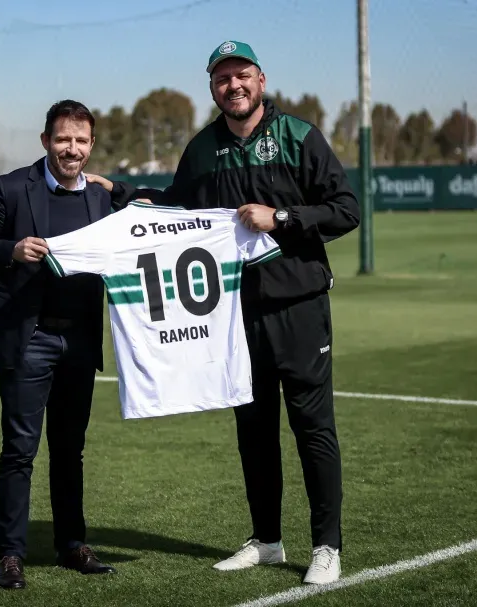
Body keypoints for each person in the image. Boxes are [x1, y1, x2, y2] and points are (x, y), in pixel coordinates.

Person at [87, 41, 360, 585]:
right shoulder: (203, 147)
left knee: (313, 427)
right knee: (253, 429)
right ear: (212, 87)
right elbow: (178, 208)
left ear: (260, 78)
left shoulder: (298, 137)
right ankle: (268, 541)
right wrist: (121, 192)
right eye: (221, 79)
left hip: (300, 305)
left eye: (241, 76)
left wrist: (280, 216)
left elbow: (345, 209)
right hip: (233, 314)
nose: (232, 86)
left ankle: (326, 545)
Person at [0, 99, 118, 590]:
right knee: (20, 450)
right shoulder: (10, 188)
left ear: (91, 145)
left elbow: (152, 207)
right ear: (46, 141)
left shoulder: (100, 196)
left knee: (71, 450)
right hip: (30, 339)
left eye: (82, 141)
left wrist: (121, 188)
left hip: (80, 340)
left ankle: (72, 545)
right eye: (64, 139)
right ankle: (10, 554)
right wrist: (12, 250)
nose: (73, 149)